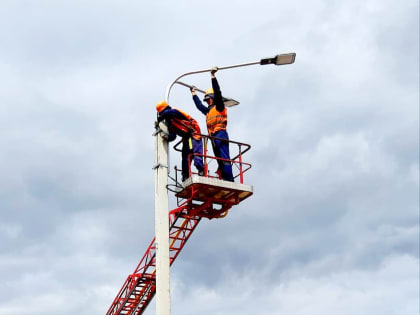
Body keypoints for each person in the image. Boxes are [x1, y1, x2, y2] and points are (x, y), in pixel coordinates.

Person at [190, 67, 234, 182]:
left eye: (209, 99)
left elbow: (218, 92)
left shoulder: (219, 107)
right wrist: (193, 94)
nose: (207, 101)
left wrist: (213, 77)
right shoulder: (209, 111)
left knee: (224, 158)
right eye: (206, 100)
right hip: (213, 137)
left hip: (221, 134)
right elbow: (200, 106)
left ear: (213, 98)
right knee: (219, 159)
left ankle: (229, 179)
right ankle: (224, 177)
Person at [156, 100, 204, 182]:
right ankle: (185, 176)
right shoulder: (170, 122)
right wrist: (166, 136)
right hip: (186, 138)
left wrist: (160, 118)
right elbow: (173, 136)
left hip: (194, 133)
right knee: (185, 156)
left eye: (162, 112)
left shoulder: (175, 112)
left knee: (196, 153)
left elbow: (168, 112)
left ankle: (201, 170)